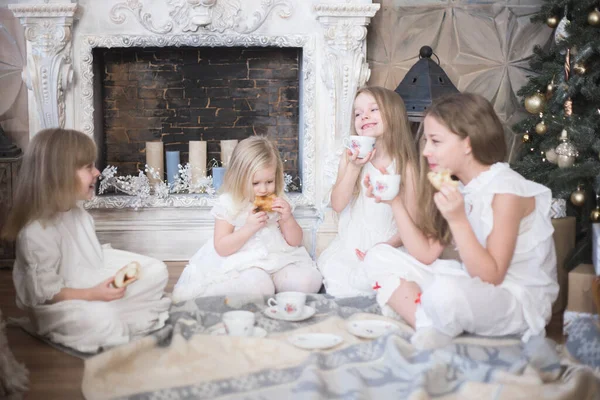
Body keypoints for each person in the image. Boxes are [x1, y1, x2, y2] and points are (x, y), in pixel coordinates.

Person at [363, 93, 559, 349]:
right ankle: (431, 324)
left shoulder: (507, 191)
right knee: (378, 256)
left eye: (435, 141)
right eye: (426, 141)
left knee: (445, 293)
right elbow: (425, 254)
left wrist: (458, 220)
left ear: (467, 143)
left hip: (514, 299)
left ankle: (429, 325)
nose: (425, 151)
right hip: (472, 282)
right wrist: (395, 201)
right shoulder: (462, 187)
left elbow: (492, 276)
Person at [1, 128, 171, 353]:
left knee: (157, 270)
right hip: (60, 303)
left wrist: (103, 285)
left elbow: (89, 258)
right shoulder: (36, 232)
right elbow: (45, 294)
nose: (98, 172)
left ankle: (119, 307)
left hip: (89, 281)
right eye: (88, 167)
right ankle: (116, 312)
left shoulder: (76, 212)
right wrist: (93, 294)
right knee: (105, 319)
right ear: (60, 175)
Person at [172, 136, 322, 302]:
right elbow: (221, 247)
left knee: (308, 282)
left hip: (278, 258)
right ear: (239, 178)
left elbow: (295, 241)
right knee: (258, 285)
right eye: (255, 183)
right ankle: (253, 290)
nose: (263, 189)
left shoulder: (279, 199)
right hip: (244, 263)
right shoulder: (230, 203)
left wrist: (287, 218)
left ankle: (277, 288)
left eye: (269, 181)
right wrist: (248, 228)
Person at [317, 86, 419, 297]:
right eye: (358, 113)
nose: (364, 116)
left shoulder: (406, 166)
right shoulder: (349, 157)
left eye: (373, 110)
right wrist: (354, 167)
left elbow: (413, 220)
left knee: (386, 277)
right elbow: (337, 204)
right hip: (352, 245)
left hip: (390, 244)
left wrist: (383, 248)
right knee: (341, 278)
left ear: (394, 115)